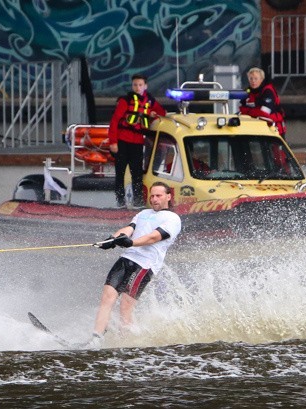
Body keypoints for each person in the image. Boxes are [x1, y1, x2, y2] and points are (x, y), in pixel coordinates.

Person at [87, 181, 181, 349]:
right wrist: (112, 239)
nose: (154, 199)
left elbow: (153, 237)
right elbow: (128, 229)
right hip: (126, 259)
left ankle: (127, 344)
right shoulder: (143, 213)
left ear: (168, 196)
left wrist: (130, 243)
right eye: (152, 196)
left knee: (125, 306)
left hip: (144, 266)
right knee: (107, 297)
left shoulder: (173, 219)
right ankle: (96, 339)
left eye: (158, 195)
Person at [109, 74, 166, 208]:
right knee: (120, 174)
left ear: (145, 86)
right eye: (135, 85)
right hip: (122, 141)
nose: (137, 87)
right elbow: (115, 121)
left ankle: (138, 201)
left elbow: (162, 112)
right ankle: (120, 201)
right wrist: (113, 142)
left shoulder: (150, 101)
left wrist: (152, 112)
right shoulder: (125, 100)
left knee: (137, 174)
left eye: (140, 85)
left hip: (138, 143)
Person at [239, 67, 287, 139]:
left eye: (256, 78)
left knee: (276, 150)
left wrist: (248, 111)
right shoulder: (247, 91)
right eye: (251, 78)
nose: (253, 81)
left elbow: (264, 112)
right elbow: (241, 109)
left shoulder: (268, 91)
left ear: (261, 79)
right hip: (257, 127)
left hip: (274, 129)